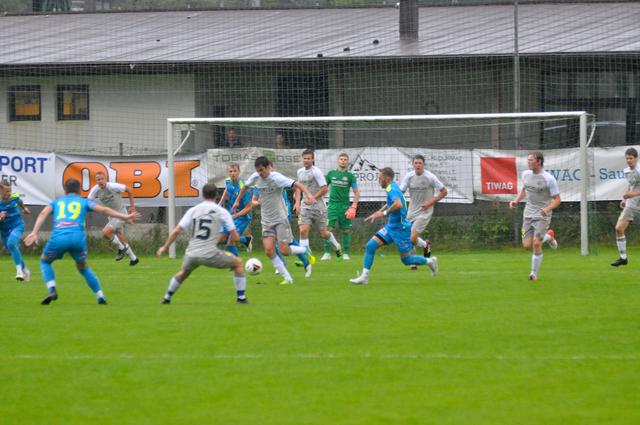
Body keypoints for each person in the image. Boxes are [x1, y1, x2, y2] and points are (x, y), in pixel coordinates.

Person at [24, 179, 139, 305]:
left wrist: (34, 232)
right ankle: (100, 296)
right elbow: (104, 210)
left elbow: (43, 213)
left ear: (65, 190)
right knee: (83, 268)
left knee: (45, 261)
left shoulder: (57, 202)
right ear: (79, 190)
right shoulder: (82, 202)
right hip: (77, 239)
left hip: (59, 238)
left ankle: (52, 289)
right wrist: (125, 216)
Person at [156, 182, 248, 304]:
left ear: (202, 195)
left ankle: (167, 297)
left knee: (184, 273)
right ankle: (241, 298)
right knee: (238, 263)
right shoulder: (222, 212)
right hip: (210, 254)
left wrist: (164, 247)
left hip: (192, 253)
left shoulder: (193, 210)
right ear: (216, 195)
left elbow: (176, 231)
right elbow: (235, 238)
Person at [233, 156, 315, 285]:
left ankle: (304, 250)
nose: (260, 173)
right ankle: (287, 278)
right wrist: (237, 201)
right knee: (269, 250)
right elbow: (245, 187)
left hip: (281, 219)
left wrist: (309, 195)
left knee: (284, 250)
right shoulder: (256, 177)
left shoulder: (276, 178)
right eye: (258, 170)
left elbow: (297, 184)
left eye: (262, 170)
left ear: (268, 168)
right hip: (266, 221)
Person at [350, 167, 438, 285]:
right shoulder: (391, 187)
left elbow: (398, 204)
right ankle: (364, 277)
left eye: (380, 178)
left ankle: (429, 261)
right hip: (391, 227)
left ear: (387, 178)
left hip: (401, 229)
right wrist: (378, 212)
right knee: (370, 246)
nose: (378, 180)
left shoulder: (392, 188)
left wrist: (384, 213)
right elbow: (391, 203)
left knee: (406, 261)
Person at [509, 151, 560, 281]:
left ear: (539, 161)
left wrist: (547, 208)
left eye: (531, 160)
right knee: (527, 245)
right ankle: (549, 236)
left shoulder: (549, 179)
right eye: (528, 160)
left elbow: (557, 200)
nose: (528, 163)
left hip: (543, 215)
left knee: (536, 243)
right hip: (528, 214)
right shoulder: (525, 174)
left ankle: (533, 274)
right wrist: (516, 200)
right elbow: (524, 190)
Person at [294, 149, 342, 276]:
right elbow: (298, 188)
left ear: (313, 159)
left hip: (319, 207)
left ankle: (337, 246)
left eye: (309, 158)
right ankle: (306, 258)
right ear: (302, 159)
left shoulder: (317, 172)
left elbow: (325, 188)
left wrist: (313, 198)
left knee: (323, 233)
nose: (306, 160)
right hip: (305, 207)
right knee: (303, 231)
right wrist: (297, 202)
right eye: (304, 158)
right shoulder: (299, 172)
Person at [399, 154, 448, 269]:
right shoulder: (409, 176)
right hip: (411, 211)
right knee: (407, 236)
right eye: (415, 163)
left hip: (425, 212)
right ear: (413, 164)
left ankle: (415, 261)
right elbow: (400, 192)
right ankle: (424, 247)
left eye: (420, 163)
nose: (417, 165)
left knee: (412, 237)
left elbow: (444, 192)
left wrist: (430, 202)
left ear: (423, 165)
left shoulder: (430, 177)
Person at [87, 171, 139, 266]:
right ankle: (134, 259)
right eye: (98, 179)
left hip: (121, 214)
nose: (100, 181)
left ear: (106, 179)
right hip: (111, 216)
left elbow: (129, 190)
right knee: (120, 238)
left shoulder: (113, 186)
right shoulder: (95, 190)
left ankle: (121, 248)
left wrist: (132, 207)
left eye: (102, 179)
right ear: (96, 181)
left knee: (106, 233)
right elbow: (88, 202)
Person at [322, 152, 360, 261]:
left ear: (348, 162)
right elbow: (323, 188)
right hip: (332, 207)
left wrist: (353, 206)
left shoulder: (350, 176)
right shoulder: (331, 174)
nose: (343, 161)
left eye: (345, 159)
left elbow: (356, 193)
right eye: (341, 159)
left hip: (345, 207)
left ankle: (346, 253)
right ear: (338, 161)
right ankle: (327, 253)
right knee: (327, 229)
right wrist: (321, 200)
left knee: (346, 230)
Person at [611, 147, 640, 267]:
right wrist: (625, 198)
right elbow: (630, 185)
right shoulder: (626, 171)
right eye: (627, 158)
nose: (629, 160)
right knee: (618, 228)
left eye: (631, 158)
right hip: (631, 204)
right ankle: (623, 257)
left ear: (636, 158)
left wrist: (632, 194)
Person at [217, 163, 254, 256]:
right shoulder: (228, 181)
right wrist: (220, 203)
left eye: (235, 171)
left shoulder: (243, 188)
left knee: (230, 242)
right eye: (230, 171)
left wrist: (235, 216)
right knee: (221, 238)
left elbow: (248, 208)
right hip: (232, 213)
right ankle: (246, 240)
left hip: (243, 217)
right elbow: (227, 189)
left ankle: (237, 266)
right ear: (228, 173)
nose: (233, 173)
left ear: (239, 172)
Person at [0, 181, 31, 281]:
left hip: (17, 225)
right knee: (13, 249)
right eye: (6, 191)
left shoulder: (14, 197)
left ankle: (19, 272)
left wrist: (24, 209)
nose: (9, 193)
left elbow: (19, 202)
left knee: (12, 243)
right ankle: (25, 270)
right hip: (4, 231)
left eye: (10, 190)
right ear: (1, 190)